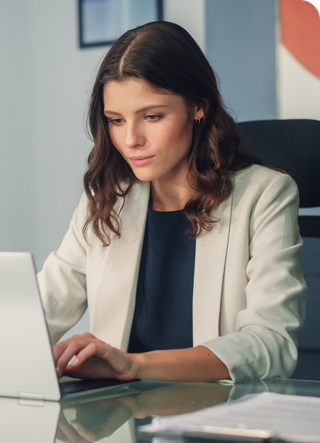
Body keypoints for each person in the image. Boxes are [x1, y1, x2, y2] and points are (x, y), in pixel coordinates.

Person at [37, 21, 306, 383]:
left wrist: (134, 366)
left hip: (215, 420)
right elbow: (40, 309)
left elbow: (272, 344)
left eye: (152, 116)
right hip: (121, 424)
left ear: (198, 107)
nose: (131, 139)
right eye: (116, 120)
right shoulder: (106, 198)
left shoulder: (265, 194)